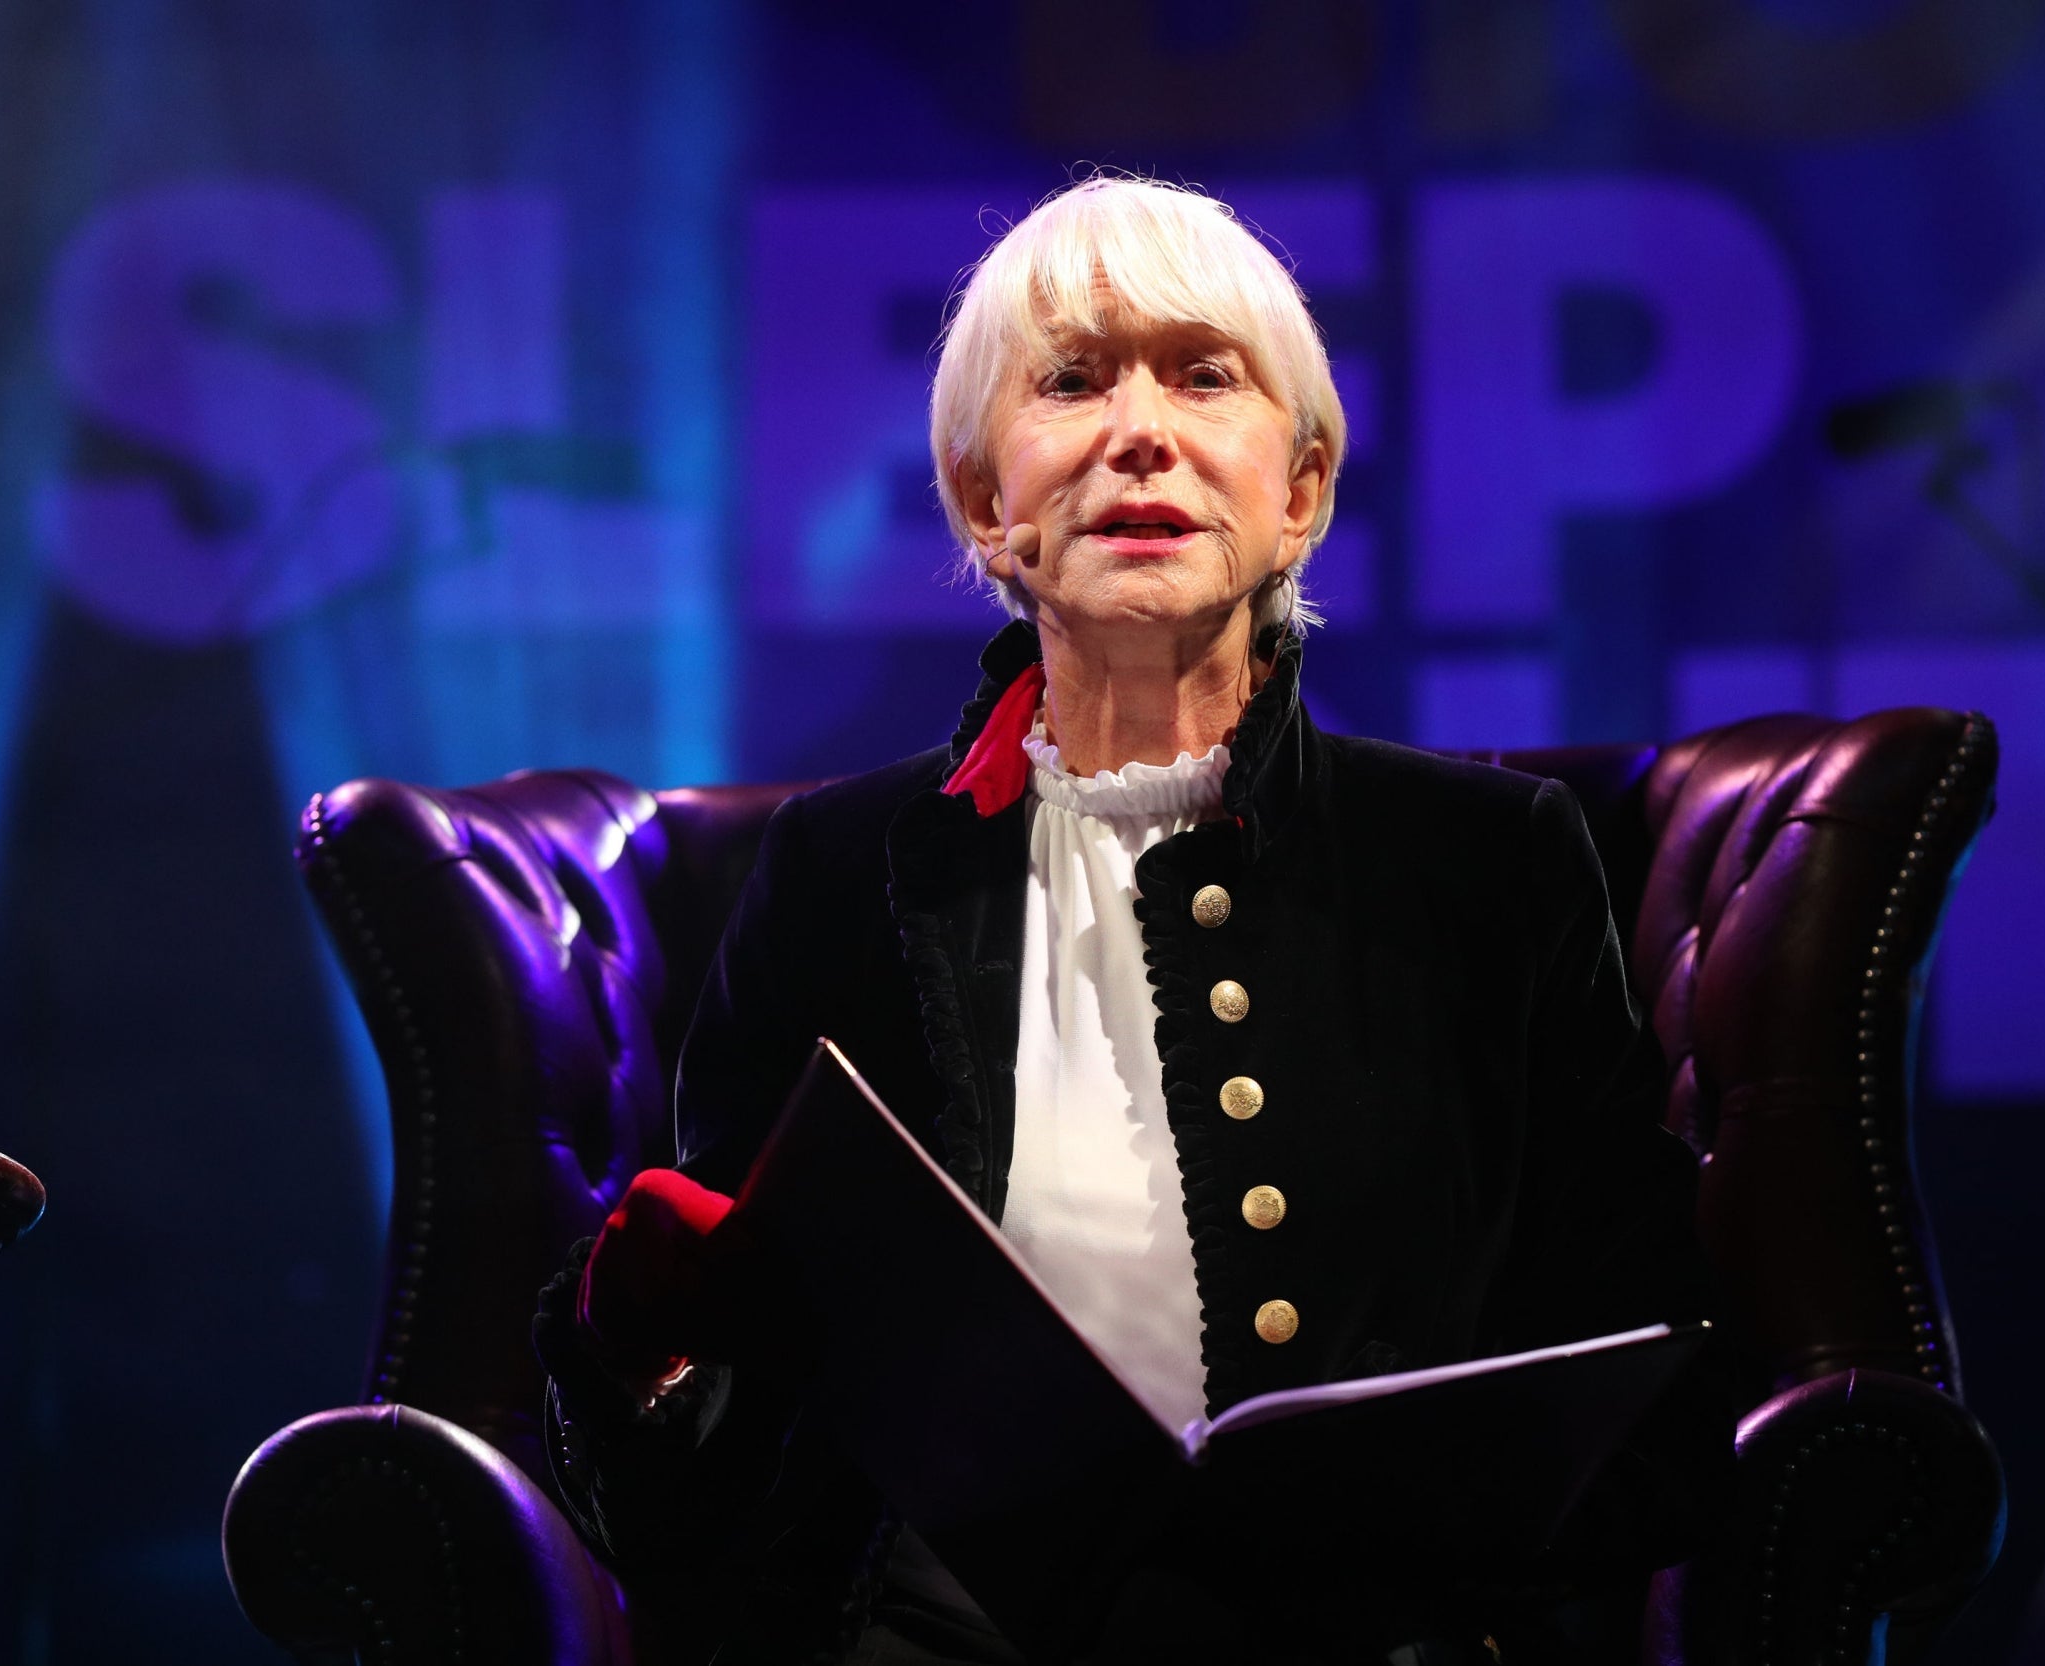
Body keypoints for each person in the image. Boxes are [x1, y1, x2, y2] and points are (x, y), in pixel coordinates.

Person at [533, 175, 1730, 1665]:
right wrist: (636, 1341)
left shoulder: (1491, 865)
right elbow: (701, 1445)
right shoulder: (837, 871)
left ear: (1299, 493)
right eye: (1074, 380)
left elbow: (1654, 1377)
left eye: (1204, 374)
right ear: (988, 503)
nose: (1140, 429)